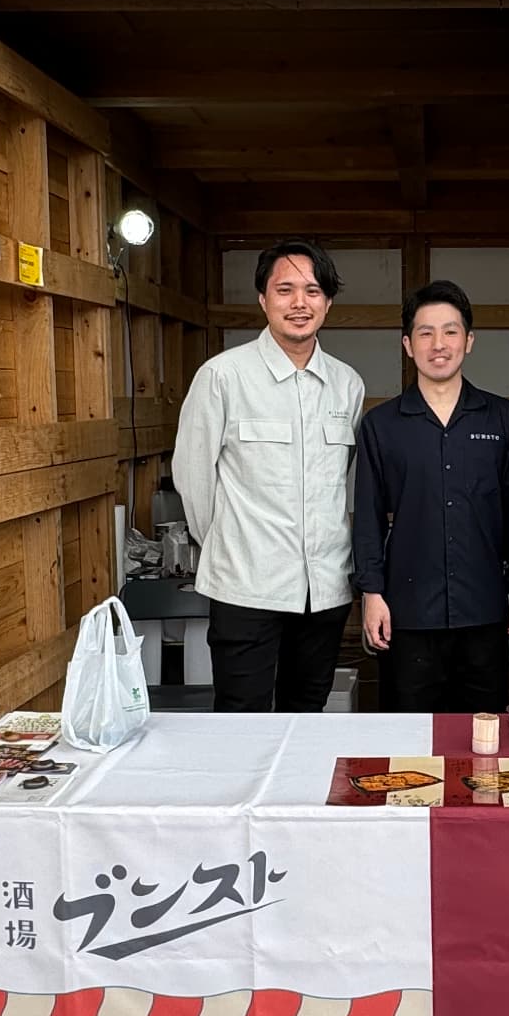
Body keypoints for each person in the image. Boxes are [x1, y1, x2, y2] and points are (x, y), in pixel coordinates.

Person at [174, 240, 364, 713]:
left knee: (307, 713)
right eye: (286, 289)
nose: (300, 303)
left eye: (313, 291)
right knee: (242, 718)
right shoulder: (223, 376)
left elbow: (349, 483)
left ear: (328, 302)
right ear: (262, 299)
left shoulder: (347, 383)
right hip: (246, 587)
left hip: (323, 591)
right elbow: (193, 477)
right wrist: (227, 546)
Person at [354, 281, 509, 713]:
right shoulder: (382, 425)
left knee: (484, 733)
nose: (439, 344)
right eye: (425, 333)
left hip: (483, 608)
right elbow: (368, 517)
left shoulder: (501, 417)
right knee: (406, 736)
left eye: (451, 331)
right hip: (408, 611)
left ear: (469, 341)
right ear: (407, 344)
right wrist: (372, 593)